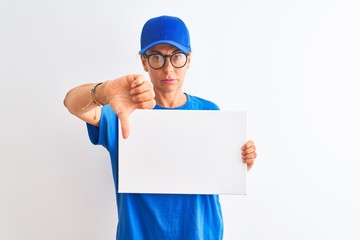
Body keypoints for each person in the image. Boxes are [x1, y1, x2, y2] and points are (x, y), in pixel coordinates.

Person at [64, 15, 257, 240]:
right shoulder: (124, 111)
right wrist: (103, 91)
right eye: (157, 57)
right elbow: (72, 103)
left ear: (189, 59)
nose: (168, 69)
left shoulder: (209, 111)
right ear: (144, 62)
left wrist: (238, 163)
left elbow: (217, 174)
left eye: (176, 57)